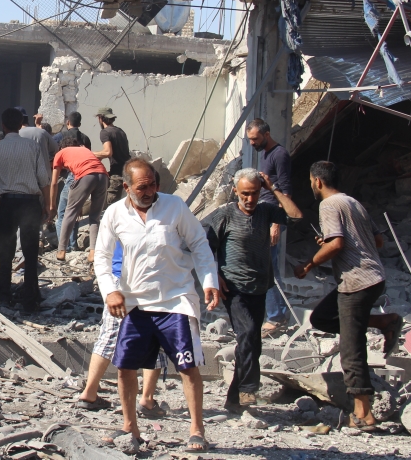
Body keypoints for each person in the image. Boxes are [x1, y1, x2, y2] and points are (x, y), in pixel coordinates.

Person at [94, 158, 220, 453]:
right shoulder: (114, 213)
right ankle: (130, 427)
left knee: (187, 366)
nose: (150, 191)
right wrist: (110, 291)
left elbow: (199, 243)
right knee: (125, 367)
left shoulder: (174, 206)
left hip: (175, 300)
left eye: (153, 184)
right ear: (127, 188)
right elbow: (101, 256)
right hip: (135, 303)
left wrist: (209, 280)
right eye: (142, 187)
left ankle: (197, 429)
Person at [295, 161, 403, 431]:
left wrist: (309, 264)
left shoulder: (328, 205)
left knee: (351, 348)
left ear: (318, 181)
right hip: (372, 277)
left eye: (310, 182)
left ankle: (363, 414)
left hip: (357, 281)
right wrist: (332, 242)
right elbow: (377, 241)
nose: (311, 186)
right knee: (322, 318)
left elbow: (338, 243)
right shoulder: (353, 203)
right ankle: (384, 321)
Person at [203, 168, 302, 413]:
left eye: (255, 193)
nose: (249, 199)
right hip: (233, 288)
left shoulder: (266, 211)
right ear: (235, 191)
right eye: (245, 194)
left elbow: (296, 216)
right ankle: (247, 389)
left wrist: (273, 188)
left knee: (252, 343)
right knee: (247, 333)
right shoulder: (224, 215)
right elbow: (203, 246)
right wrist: (214, 274)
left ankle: (233, 399)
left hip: (259, 286)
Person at [77, 240, 167, 422]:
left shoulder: (116, 219)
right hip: (151, 278)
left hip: (118, 278)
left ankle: (89, 392)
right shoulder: (161, 219)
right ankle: (147, 399)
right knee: (156, 336)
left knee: (109, 335)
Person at [0, 107, 50, 312]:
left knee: (5, 252)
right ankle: (30, 300)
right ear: (20, 125)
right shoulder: (33, 147)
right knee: (30, 253)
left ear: (3, 125)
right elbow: (44, 179)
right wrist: (48, 205)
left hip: (8, 204)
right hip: (30, 203)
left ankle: (4, 297)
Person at [245, 118, 293, 336]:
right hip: (263, 215)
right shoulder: (265, 153)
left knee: (268, 268)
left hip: (272, 217)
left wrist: (276, 223)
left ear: (266, 134)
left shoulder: (279, 155)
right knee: (263, 267)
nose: (252, 143)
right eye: (250, 139)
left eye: (255, 139)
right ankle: (276, 313)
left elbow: (286, 192)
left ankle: (277, 317)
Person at [50, 136, 108, 262]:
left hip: (86, 175)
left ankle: (61, 251)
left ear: (61, 147)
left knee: (69, 213)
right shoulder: (84, 149)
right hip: (103, 175)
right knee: (95, 217)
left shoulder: (60, 153)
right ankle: (93, 252)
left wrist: (52, 205)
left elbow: (54, 183)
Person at [55, 112, 92, 251]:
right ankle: (72, 244)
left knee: (62, 214)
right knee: (74, 212)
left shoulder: (60, 136)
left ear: (67, 122)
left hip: (66, 176)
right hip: (83, 177)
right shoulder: (85, 138)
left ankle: (64, 247)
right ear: (80, 124)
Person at [93, 107, 130, 204]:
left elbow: (107, 152)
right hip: (128, 170)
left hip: (118, 173)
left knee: (111, 204)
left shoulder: (105, 132)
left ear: (101, 118)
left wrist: (88, 153)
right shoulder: (120, 131)